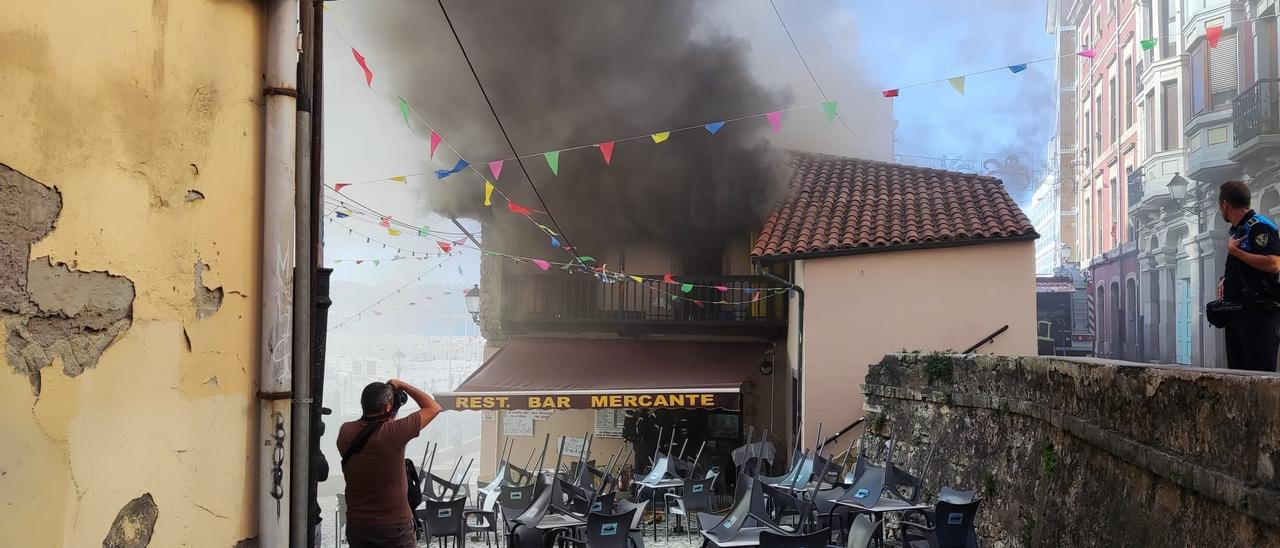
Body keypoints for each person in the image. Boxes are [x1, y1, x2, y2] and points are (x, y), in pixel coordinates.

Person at [337, 379, 442, 548]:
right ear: (387, 407)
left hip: (359, 527)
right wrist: (401, 385)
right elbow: (433, 407)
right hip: (393, 529)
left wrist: (389, 409)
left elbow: (371, 430)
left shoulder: (345, 432)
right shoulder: (393, 433)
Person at [1215, 180, 1280, 372]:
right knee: (1238, 380)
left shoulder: (1259, 226)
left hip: (1258, 319)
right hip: (1237, 314)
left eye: (1220, 206)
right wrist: (1226, 280)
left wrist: (1237, 253)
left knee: (1259, 381)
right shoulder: (1238, 231)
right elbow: (1247, 268)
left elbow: (1274, 264)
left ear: (1225, 204)